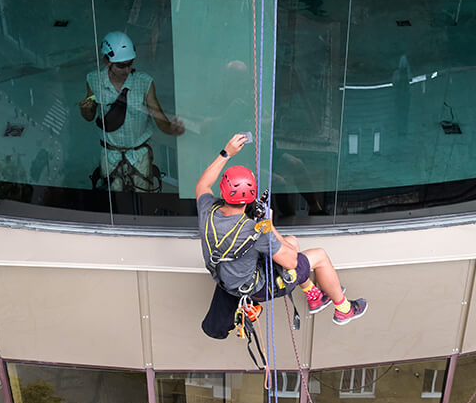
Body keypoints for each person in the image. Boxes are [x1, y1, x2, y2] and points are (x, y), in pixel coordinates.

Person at [196, 132, 367, 326]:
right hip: (255, 288)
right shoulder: (254, 230)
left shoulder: (208, 211)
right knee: (319, 256)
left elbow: (203, 184)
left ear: (222, 191)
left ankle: (314, 296)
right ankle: (344, 309)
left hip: (227, 277)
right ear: (251, 198)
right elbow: (291, 261)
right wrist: (267, 223)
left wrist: (226, 153)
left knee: (292, 241)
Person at [79, 31, 185, 192]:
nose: (127, 70)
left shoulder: (144, 82)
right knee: (113, 202)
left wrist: (172, 129)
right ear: (107, 61)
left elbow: (157, 115)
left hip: (139, 154)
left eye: (130, 64)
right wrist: (85, 109)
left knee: (143, 198)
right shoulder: (94, 80)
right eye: (121, 65)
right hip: (110, 154)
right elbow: (89, 116)